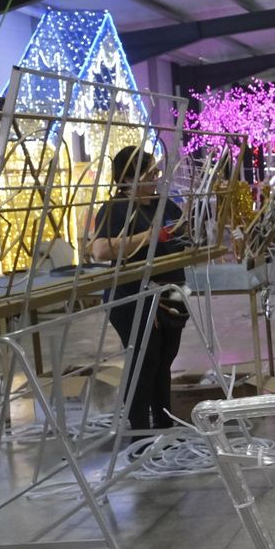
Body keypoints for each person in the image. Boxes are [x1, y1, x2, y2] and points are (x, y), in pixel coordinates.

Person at [88, 146, 187, 439]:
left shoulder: (165, 205)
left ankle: (164, 422)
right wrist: (147, 236)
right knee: (146, 359)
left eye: (155, 173)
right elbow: (101, 250)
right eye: (149, 174)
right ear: (128, 178)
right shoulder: (116, 208)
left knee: (165, 357)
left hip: (171, 291)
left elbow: (182, 235)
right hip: (133, 295)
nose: (155, 179)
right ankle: (140, 432)